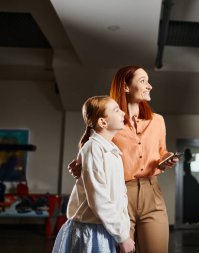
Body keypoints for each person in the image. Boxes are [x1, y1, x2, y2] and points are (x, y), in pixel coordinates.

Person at [68, 65, 178, 253]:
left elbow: (161, 151)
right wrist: (79, 167)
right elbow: (90, 148)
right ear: (125, 87)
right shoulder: (111, 121)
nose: (149, 86)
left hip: (152, 193)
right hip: (119, 195)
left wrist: (167, 158)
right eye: (143, 81)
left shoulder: (157, 120)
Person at [53, 96, 135, 253]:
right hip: (91, 232)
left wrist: (122, 232)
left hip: (105, 229)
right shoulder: (93, 148)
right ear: (103, 122)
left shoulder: (112, 151)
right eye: (116, 110)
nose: (123, 112)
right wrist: (122, 236)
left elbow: (118, 197)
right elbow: (98, 199)